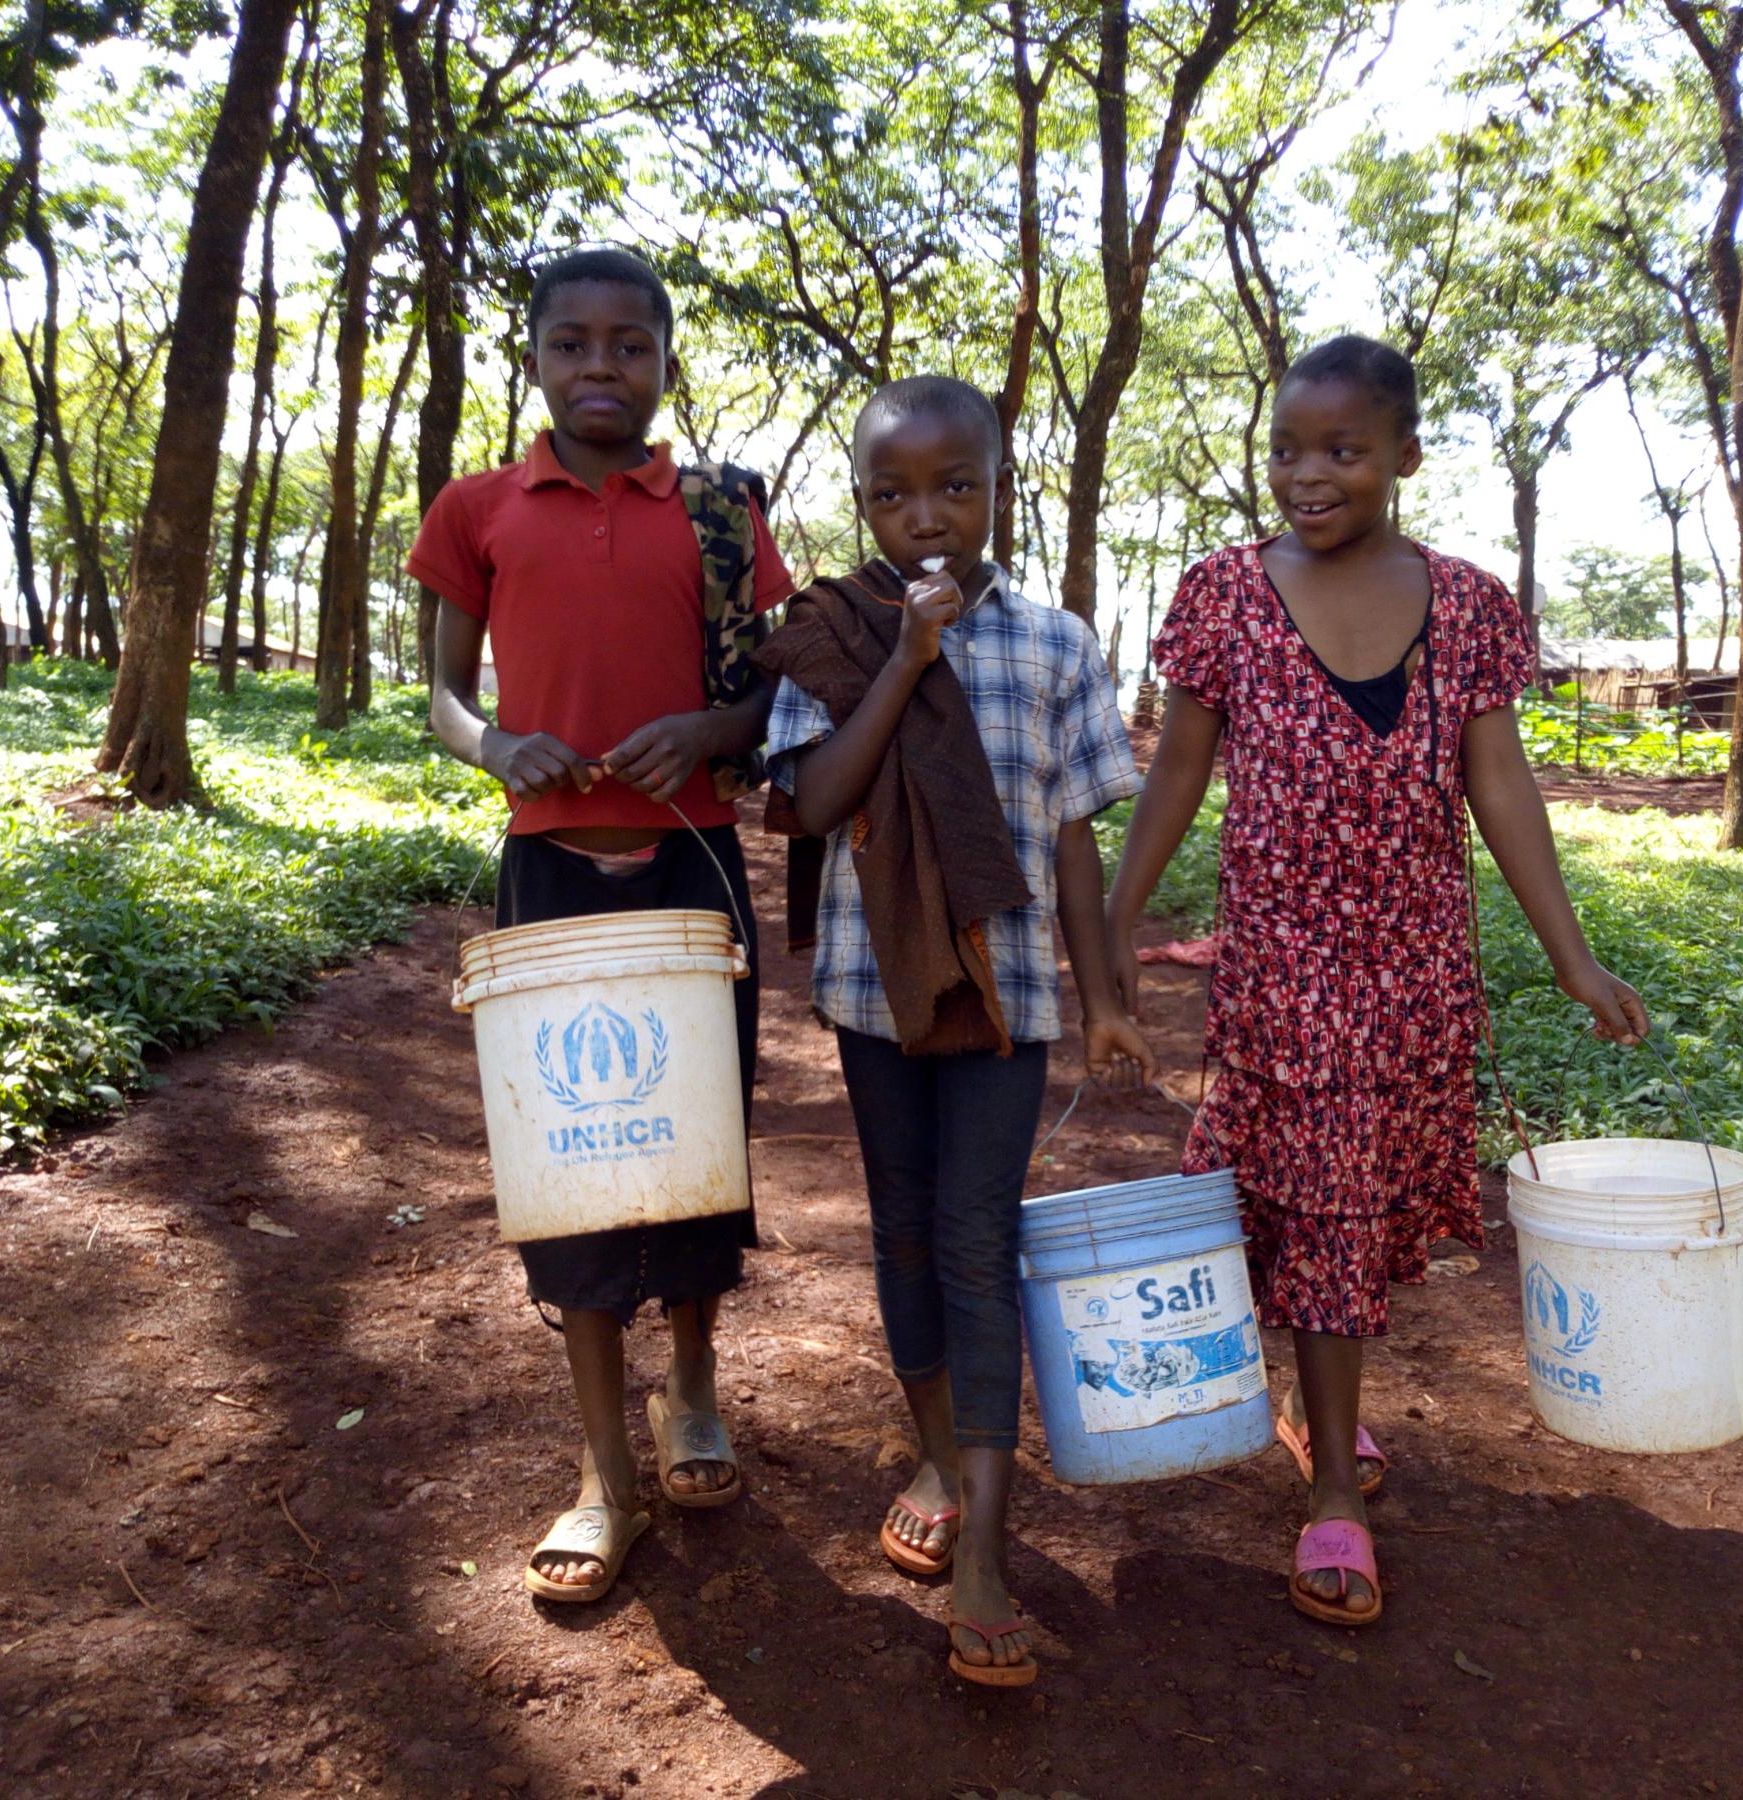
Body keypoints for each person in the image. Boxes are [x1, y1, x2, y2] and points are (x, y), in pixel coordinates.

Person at [1104, 334, 1648, 1629]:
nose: (1308, 474)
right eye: (1288, 449)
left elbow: (1500, 784)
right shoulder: (1225, 595)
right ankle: (1335, 1488)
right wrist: (1112, 926)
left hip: (1414, 972)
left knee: (1345, 1208)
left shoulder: (1467, 605)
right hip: (1282, 971)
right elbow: (1179, 770)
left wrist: (1571, 956)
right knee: (1318, 1199)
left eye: (1343, 450)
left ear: (1403, 454)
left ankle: (1320, 1404)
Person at [411, 245, 795, 1604]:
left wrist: (707, 728)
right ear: (534, 358)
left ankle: (692, 1385)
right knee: (565, 1156)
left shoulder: (719, 512)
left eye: (631, 346)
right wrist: (495, 744)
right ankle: (603, 1472)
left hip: (692, 866)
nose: (601, 367)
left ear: (665, 364)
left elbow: (770, 694)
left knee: (694, 1147)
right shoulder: (477, 508)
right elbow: (444, 694)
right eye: (572, 343)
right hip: (548, 879)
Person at [758, 376, 1153, 1688]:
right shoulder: (833, 636)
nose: (924, 516)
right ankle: (937, 1455)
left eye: (954, 487)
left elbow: (1077, 846)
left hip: (1007, 1001)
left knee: (978, 1244)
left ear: (997, 488)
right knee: (906, 1231)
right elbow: (816, 804)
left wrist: (1105, 1002)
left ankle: (983, 1538)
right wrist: (905, 661)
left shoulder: (1056, 646)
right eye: (892, 494)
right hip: (877, 991)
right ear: (861, 501)